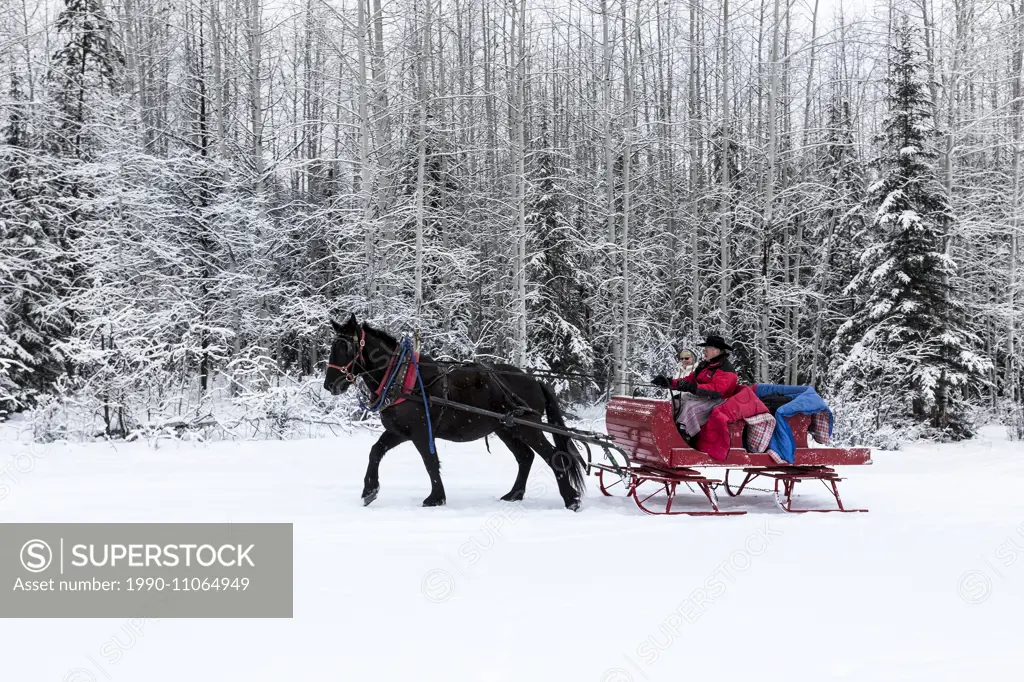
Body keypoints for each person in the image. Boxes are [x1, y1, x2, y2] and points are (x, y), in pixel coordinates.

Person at [650, 335, 740, 443]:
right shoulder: (705, 365)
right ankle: (662, 430)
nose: (704, 351)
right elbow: (690, 379)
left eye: (707, 349)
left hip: (719, 401)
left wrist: (693, 387)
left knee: (689, 407)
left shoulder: (726, 369)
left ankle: (684, 439)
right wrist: (670, 382)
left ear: (716, 350)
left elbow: (717, 390)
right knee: (674, 403)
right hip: (702, 396)